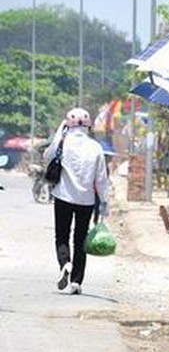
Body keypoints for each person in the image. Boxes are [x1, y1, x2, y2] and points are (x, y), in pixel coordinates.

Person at [45, 107, 110, 295]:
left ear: (68, 124)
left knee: (62, 235)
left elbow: (47, 156)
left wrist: (60, 130)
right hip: (86, 200)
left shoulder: (63, 143)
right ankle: (76, 282)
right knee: (80, 240)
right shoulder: (96, 148)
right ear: (88, 126)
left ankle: (65, 263)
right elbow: (101, 179)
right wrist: (105, 203)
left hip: (63, 196)